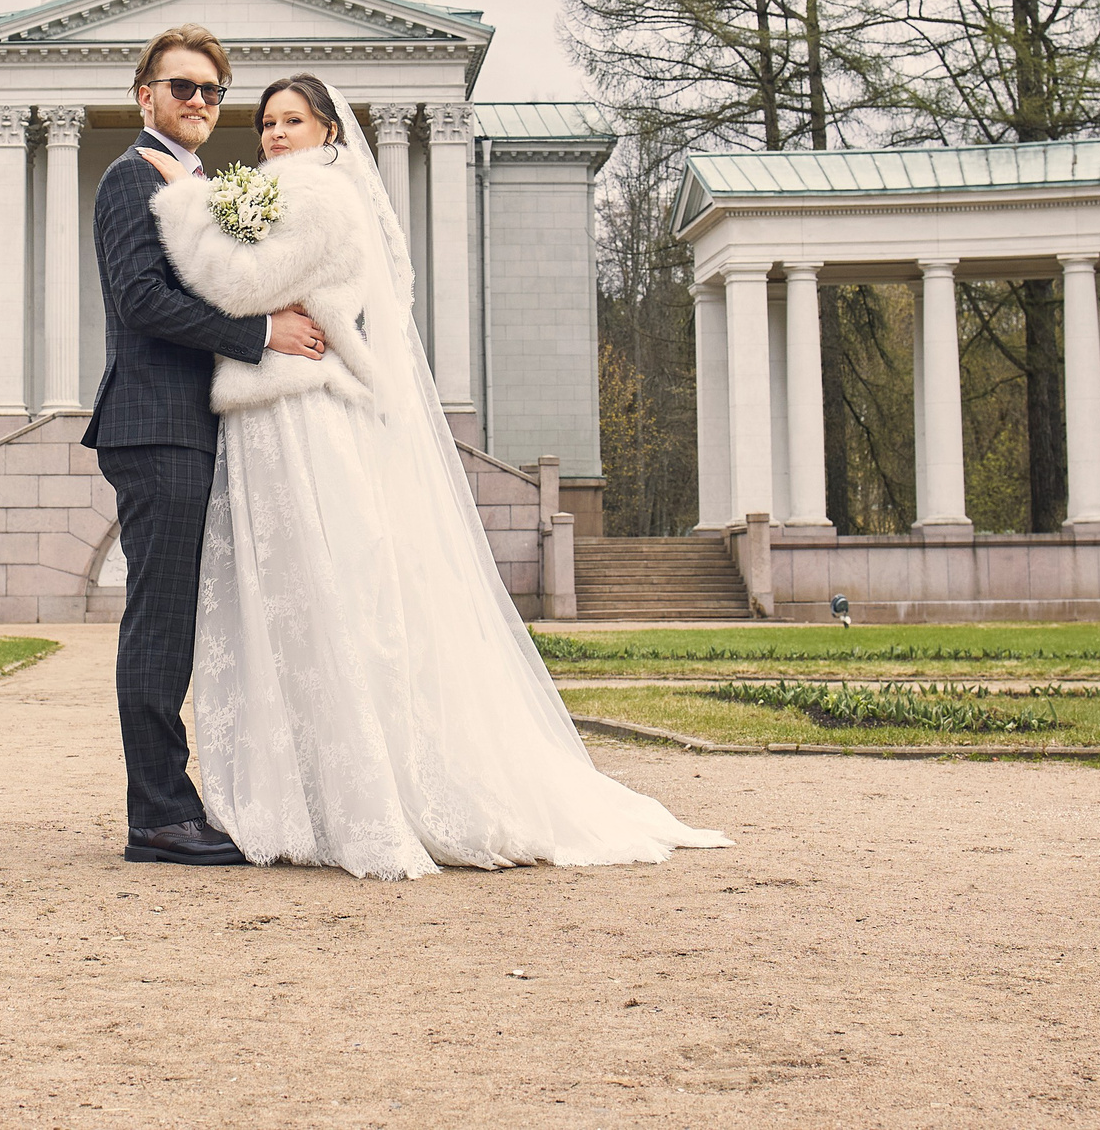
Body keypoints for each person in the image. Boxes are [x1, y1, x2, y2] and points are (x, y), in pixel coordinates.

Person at [135, 72, 732, 880]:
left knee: (323, 597)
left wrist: (182, 202)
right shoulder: (282, 196)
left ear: (329, 133)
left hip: (303, 417)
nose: (275, 135)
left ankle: (348, 796)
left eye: (292, 121)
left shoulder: (320, 199)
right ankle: (308, 795)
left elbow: (237, 287)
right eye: (268, 122)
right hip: (267, 419)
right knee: (289, 608)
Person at [84, 25, 329, 868]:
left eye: (210, 92)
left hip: (198, 425)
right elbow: (143, 301)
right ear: (143, 94)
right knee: (159, 620)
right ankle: (156, 811)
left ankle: (181, 798)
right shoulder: (128, 178)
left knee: (183, 618)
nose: (196, 102)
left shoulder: (193, 184)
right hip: (155, 425)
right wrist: (261, 333)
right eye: (180, 87)